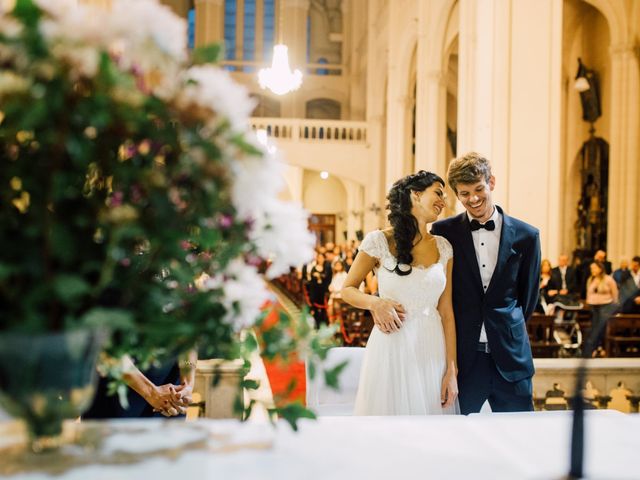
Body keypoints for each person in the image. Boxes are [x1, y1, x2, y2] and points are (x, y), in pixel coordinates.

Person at [430, 152, 541, 414]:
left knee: (520, 435)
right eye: (464, 193)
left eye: (479, 189)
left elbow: (529, 297)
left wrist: (504, 326)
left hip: (511, 357)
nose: (473, 198)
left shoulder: (527, 235)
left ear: (492, 182)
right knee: (458, 439)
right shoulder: (442, 232)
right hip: (465, 360)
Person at [341, 170, 458, 415]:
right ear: (416, 195)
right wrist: (375, 303)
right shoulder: (379, 241)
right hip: (391, 345)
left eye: (445, 196)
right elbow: (348, 290)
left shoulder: (444, 247)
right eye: (438, 193)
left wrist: (451, 370)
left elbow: (447, 312)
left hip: (432, 348)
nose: (443, 201)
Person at [84, 351, 196, 419]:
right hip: (119, 396)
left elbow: (189, 339)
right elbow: (107, 348)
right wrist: (151, 392)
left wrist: (187, 384)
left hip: (173, 400)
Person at [585, 260, 619, 356]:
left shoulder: (608, 279)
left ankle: (601, 348)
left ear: (600, 269)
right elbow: (589, 293)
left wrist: (614, 306)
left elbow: (615, 293)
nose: (592, 270)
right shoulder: (591, 279)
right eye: (591, 268)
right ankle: (595, 348)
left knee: (602, 328)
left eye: (594, 268)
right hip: (594, 306)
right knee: (594, 328)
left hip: (605, 306)